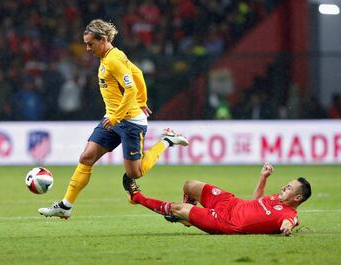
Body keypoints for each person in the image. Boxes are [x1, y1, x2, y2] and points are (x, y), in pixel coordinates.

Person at [38, 19, 189, 219]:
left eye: (90, 43)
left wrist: (121, 114)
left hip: (129, 123)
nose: (87, 48)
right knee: (86, 157)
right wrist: (140, 101)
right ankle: (66, 206)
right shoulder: (110, 56)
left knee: (135, 173)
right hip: (113, 119)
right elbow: (137, 73)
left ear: (102, 40)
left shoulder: (113, 60)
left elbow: (130, 87)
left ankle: (167, 140)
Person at [124, 163, 312, 236]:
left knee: (177, 209)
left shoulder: (288, 214)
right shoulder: (275, 199)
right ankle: (189, 218)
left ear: (297, 197)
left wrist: (286, 229)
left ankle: (137, 197)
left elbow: (288, 223)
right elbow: (256, 201)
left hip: (225, 222)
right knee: (189, 185)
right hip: (230, 202)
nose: (282, 188)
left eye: (288, 188)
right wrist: (263, 178)